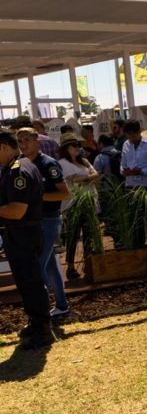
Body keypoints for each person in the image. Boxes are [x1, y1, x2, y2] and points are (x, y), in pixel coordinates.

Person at [0, 130, 53, 349]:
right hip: (21, 233)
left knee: (30, 281)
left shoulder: (18, 171)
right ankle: (36, 322)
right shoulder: (19, 166)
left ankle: (42, 328)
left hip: (22, 232)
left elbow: (17, 210)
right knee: (27, 280)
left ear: (2, 147)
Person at [18, 128, 71, 316]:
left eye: (27, 140)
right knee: (50, 265)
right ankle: (62, 306)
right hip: (33, 221)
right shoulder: (20, 164)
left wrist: (37, 197)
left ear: (37, 142)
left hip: (49, 220)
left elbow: (65, 193)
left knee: (38, 265)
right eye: (20, 141)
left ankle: (39, 313)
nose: (23, 145)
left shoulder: (48, 164)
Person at [56, 132, 99, 287]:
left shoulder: (84, 161)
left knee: (88, 234)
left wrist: (81, 178)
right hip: (73, 204)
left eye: (78, 145)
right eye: (74, 146)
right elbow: (70, 180)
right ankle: (71, 266)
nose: (77, 148)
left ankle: (88, 264)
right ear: (66, 148)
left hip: (89, 201)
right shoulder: (62, 163)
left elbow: (95, 175)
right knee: (73, 236)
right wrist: (86, 178)